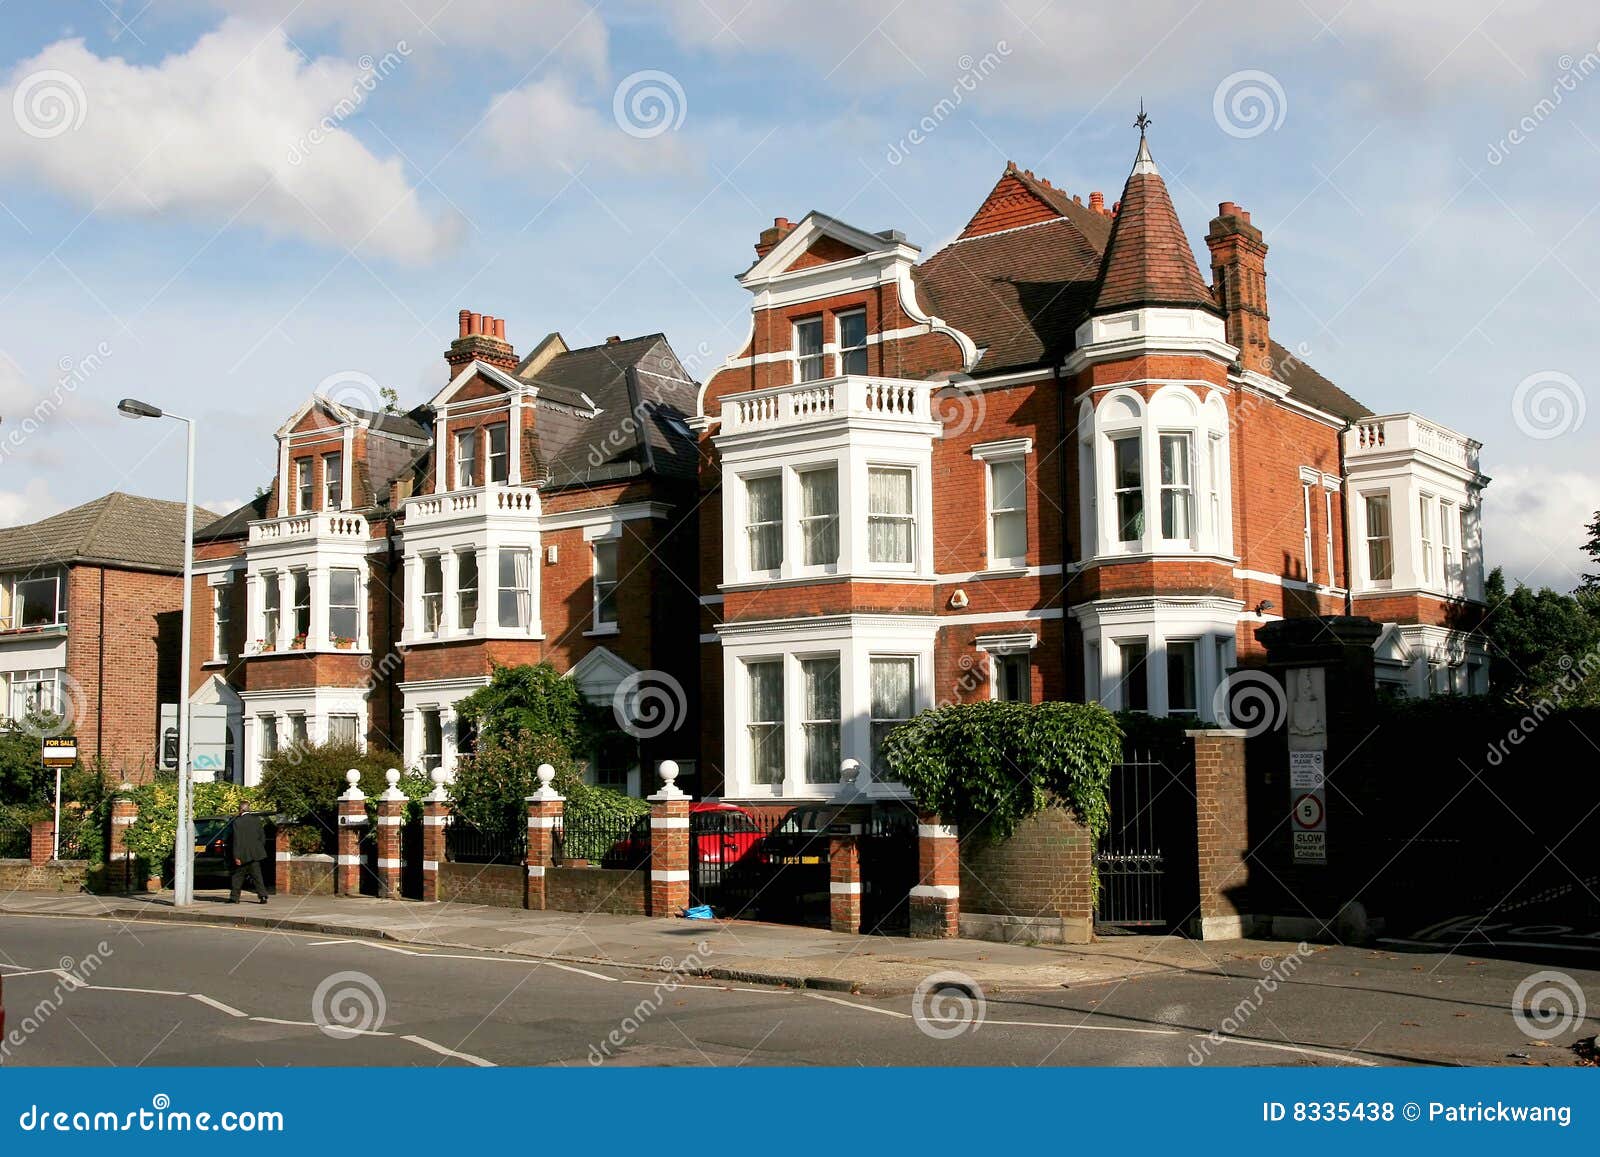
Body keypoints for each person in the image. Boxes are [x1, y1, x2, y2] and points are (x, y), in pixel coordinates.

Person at [227, 801, 269, 905]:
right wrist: (258, 848)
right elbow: (262, 837)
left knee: (237, 877)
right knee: (257, 876)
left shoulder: (237, 822)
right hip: (255, 854)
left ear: (240, 809)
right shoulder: (256, 820)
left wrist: (236, 856)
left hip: (242, 855)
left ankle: (234, 898)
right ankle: (263, 896)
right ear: (248, 809)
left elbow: (237, 840)